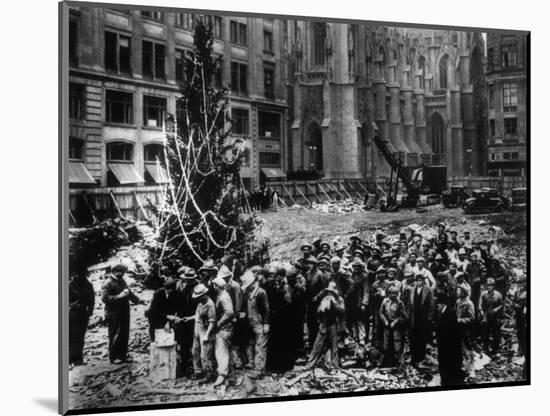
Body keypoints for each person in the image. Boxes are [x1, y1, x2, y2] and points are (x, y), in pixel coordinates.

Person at [101, 263, 143, 364]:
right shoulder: (107, 283)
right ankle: (113, 356)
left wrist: (138, 300)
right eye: (121, 273)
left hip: (124, 311)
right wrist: (118, 296)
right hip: (113, 313)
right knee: (115, 334)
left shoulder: (121, 281)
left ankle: (122, 354)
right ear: (116, 272)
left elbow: (128, 293)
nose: (123, 275)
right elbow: (104, 298)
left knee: (124, 333)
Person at [304, 282, 346, 369]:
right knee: (317, 345)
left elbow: (342, 310)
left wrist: (334, 304)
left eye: (331, 292)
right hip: (324, 324)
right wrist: (320, 319)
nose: (329, 293)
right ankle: (310, 364)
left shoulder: (339, 299)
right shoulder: (324, 299)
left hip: (334, 324)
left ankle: (334, 365)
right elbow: (318, 311)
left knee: (334, 347)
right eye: (328, 292)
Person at [242, 269, 270, 378]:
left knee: (260, 346)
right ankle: (252, 363)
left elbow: (266, 309)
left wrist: (266, 323)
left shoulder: (261, 292)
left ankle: (259, 370)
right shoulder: (248, 293)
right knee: (251, 344)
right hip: (251, 322)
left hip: (260, 322)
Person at [266, 267, 294, 373]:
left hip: (282, 317)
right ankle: (277, 365)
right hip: (278, 317)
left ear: (282, 276)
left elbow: (288, 301)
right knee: (277, 340)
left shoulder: (285, 286)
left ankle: (282, 366)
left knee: (282, 340)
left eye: (278, 276)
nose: (277, 278)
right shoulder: (277, 285)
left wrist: (278, 309)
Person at [434, 293, 466, 386]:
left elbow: (452, 332)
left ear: (443, 304)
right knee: (446, 363)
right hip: (445, 344)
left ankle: (448, 381)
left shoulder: (450, 314)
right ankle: (447, 379)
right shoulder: (444, 312)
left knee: (448, 363)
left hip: (448, 345)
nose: (437, 307)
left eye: (438, 304)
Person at [211, 276, 234, 387]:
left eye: (215, 285)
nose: (213, 287)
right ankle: (225, 371)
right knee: (222, 350)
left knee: (221, 351)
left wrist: (219, 323)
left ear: (219, 286)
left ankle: (222, 374)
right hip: (224, 327)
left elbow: (229, 312)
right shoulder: (221, 295)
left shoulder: (224, 297)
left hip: (225, 328)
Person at [69, 268, 95, 366]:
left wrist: (89, 312)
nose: (79, 276)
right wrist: (71, 305)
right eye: (77, 275)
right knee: (72, 336)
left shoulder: (88, 285)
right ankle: (70, 359)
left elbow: (92, 300)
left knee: (80, 337)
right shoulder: (69, 285)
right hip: (72, 314)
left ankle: (78, 359)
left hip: (83, 314)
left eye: (82, 274)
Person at [191, 283, 216, 383]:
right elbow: (197, 315)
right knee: (195, 351)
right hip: (199, 328)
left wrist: (206, 335)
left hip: (207, 330)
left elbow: (212, 321)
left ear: (204, 295)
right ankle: (198, 372)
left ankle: (208, 375)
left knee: (205, 355)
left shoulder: (210, 304)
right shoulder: (200, 303)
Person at [408, 273, 434, 367]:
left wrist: (429, 317)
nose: (419, 282)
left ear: (423, 281)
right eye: (417, 280)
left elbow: (431, 305)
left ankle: (421, 356)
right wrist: (408, 315)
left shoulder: (428, 290)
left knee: (422, 336)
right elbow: (409, 304)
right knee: (413, 335)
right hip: (414, 317)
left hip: (423, 317)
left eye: (420, 280)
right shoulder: (412, 289)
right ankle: (414, 355)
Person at [379, 286, 408, 368]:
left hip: (396, 327)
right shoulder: (385, 301)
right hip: (387, 325)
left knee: (397, 345)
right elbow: (381, 313)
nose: (393, 295)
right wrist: (385, 320)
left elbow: (404, 316)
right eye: (392, 293)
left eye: (395, 293)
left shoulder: (400, 303)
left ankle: (397, 363)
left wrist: (396, 322)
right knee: (385, 344)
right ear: (389, 293)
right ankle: (385, 362)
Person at [346, 258, 370, 345]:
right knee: (352, 320)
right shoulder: (349, 275)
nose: (356, 268)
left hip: (359, 300)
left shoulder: (364, 276)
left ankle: (362, 338)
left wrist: (364, 303)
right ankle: (354, 337)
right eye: (354, 266)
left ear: (360, 267)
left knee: (360, 320)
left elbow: (366, 290)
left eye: (357, 266)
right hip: (351, 301)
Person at [455, 283, 476, 378]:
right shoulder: (458, 301)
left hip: (467, 331)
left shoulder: (469, 303)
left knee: (468, 350)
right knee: (460, 350)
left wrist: (460, 320)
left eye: (459, 291)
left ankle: (472, 370)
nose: (457, 292)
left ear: (463, 292)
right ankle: (465, 367)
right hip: (458, 330)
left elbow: (472, 319)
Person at [479, 278, 504, 353]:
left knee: (495, 332)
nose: (489, 287)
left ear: (494, 286)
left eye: (491, 285)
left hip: (494, 316)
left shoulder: (498, 294)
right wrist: (481, 312)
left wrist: (497, 309)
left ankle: (495, 348)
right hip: (486, 315)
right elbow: (479, 304)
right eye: (488, 285)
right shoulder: (483, 294)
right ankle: (485, 348)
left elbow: (501, 304)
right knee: (485, 332)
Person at [513, 277, 527, 356]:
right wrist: (515, 305)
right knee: (519, 331)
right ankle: (520, 348)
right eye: (521, 283)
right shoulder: (517, 292)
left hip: (525, 315)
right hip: (518, 315)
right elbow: (514, 301)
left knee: (525, 332)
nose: (523, 285)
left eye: (524, 282)